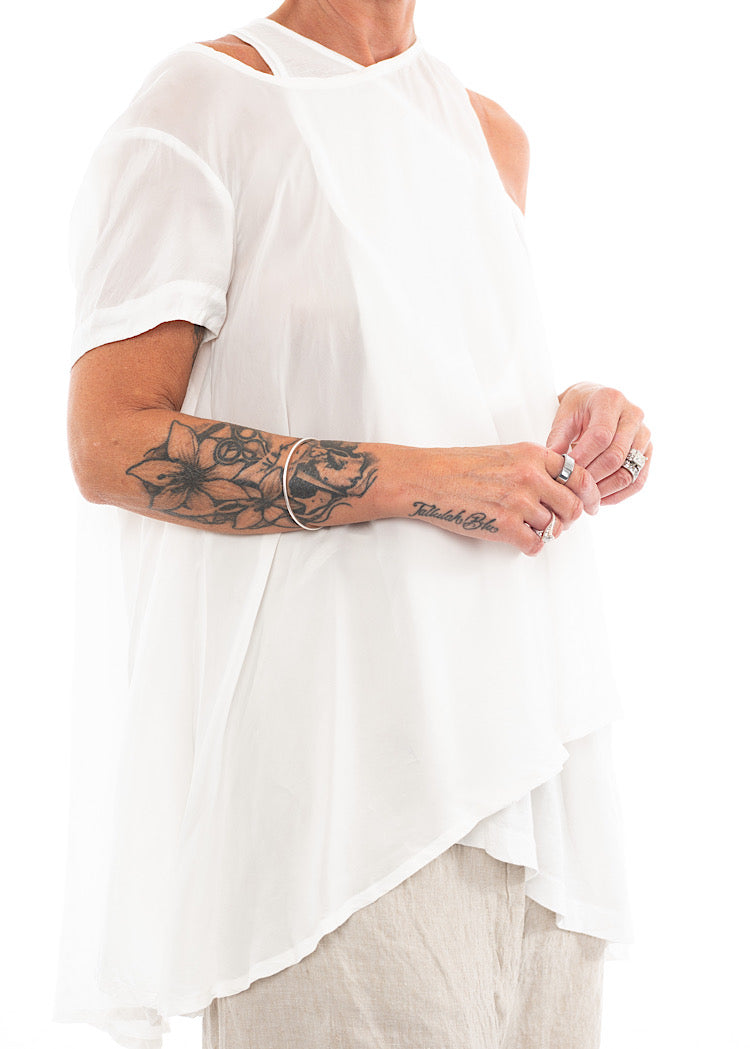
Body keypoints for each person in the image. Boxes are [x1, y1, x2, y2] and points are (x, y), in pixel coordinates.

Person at [55, 2, 652, 1048]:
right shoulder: (204, 104)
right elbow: (111, 441)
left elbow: (432, 394)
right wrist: (422, 480)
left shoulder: (489, 134)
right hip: (334, 801)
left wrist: (587, 423)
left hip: (528, 776)